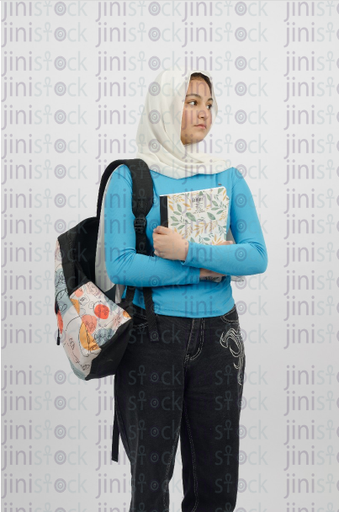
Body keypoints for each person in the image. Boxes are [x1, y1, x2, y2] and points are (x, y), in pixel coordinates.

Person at [104, 68, 268, 512]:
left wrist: (187, 249)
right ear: (164, 106)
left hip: (218, 338)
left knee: (217, 481)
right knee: (151, 481)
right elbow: (120, 264)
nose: (203, 113)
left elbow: (255, 256)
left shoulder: (227, 176)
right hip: (151, 338)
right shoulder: (130, 178)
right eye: (192, 101)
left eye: (209, 104)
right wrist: (202, 267)